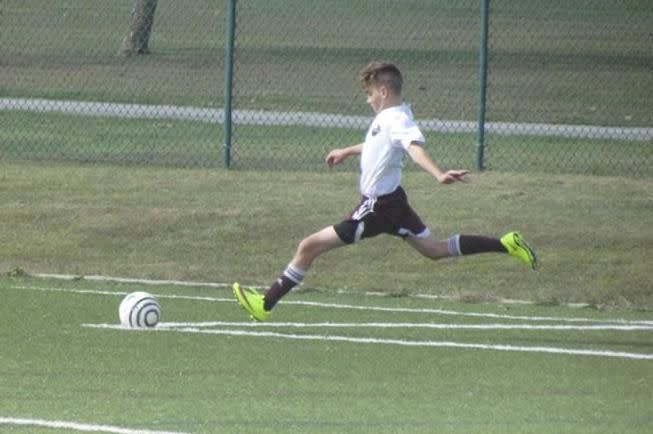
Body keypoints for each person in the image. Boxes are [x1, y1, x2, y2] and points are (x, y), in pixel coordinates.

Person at [233, 61, 537, 321]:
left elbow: (414, 148)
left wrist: (438, 174)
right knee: (434, 250)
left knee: (309, 245)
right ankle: (506, 244)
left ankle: (265, 304)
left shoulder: (398, 119)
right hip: (394, 204)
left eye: (369, 94)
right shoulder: (388, 120)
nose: (367, 100)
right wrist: (346, 151)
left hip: (377, 207)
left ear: (383, 91)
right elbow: (377, 145)